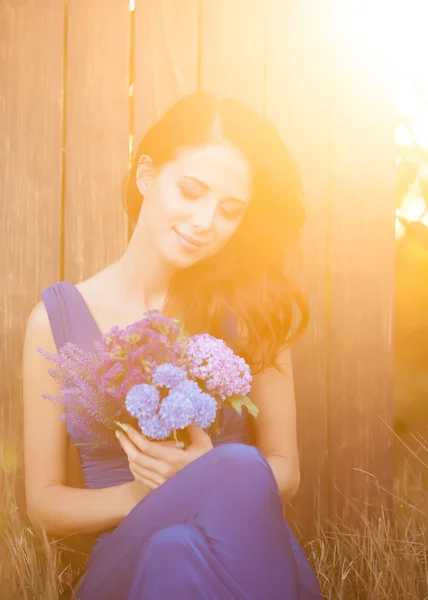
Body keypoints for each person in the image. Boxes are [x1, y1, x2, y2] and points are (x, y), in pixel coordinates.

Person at [22, 92, 323, 599]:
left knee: (177, 550)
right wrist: (149, 491)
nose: (206, 221)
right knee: (222, 481)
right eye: (191, 190)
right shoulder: (54, 323)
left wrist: (204, 475)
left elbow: (285, 470)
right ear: (146, 176)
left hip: (237, 550)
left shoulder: (251, 309)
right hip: (124, 557)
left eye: (229, 210)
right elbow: (44, 506)